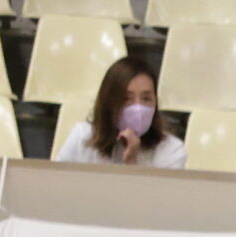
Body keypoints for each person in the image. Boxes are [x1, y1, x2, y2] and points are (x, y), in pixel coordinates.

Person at [52, 56, 186, 169]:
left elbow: (154, 194)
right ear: (109, 101)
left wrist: (132, 163)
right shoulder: (81, 137)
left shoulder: (172, 151)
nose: (138, 107)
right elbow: (55, 183)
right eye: (127, 98)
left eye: (146, 99)